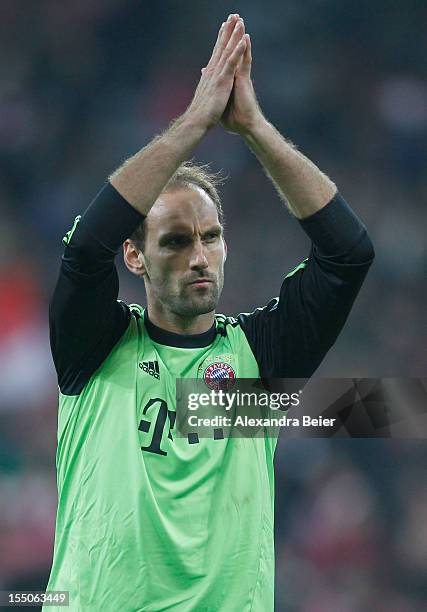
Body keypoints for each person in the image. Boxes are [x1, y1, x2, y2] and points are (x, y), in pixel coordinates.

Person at [45, 13, 374, 612]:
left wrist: (253, 129)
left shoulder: (260, 359)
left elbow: (348, 255)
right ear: (135, 257)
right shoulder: (93, 346)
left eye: (211, 237)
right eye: (175, 241)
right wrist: (196, 122)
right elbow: (84, 250)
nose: (200, 258)